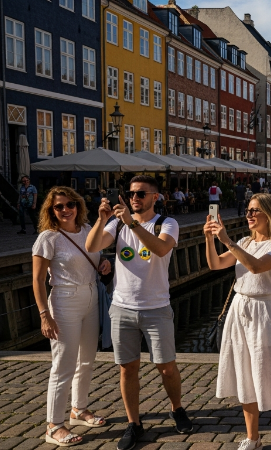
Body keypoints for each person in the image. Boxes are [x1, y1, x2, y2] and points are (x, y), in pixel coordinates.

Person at [86, 175, 194, 450]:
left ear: (154, 197)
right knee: (127, 369)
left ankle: (177, 408)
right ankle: (134, 424)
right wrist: (101, 219)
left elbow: (159, 249)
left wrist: (131, 223)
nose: (135, 198)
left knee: (167, 367)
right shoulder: (117, 224)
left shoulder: (167, 223)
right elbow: (92, 247)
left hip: (156, 307)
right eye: (132, 193)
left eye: (141, 193)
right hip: (122, 307)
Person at [204, 193, 271, 450]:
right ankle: (253, 437)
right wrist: (209, 238)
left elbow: (257, 267)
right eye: (248, 210)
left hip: (263, 310)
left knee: (269, 374)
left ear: (269, 214)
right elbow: (215, 264)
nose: (249, 215)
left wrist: (227, 241)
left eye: (254, 211)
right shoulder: (244, 242)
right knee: (244, 375)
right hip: (239, 308)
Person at [33, 186, 111, 447]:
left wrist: (104, 262)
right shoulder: (48, 237)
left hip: (91, 296)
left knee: (87, 359)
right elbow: (37, 279)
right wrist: (45, 315)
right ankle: (53, 425)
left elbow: (96, 254)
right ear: (51, 211)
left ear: (78, 206)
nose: (66, 210)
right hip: (64, 300)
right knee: (63, 364)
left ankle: (79, 409)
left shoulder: (89, 230)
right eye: (59, 206)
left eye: (70, 204)